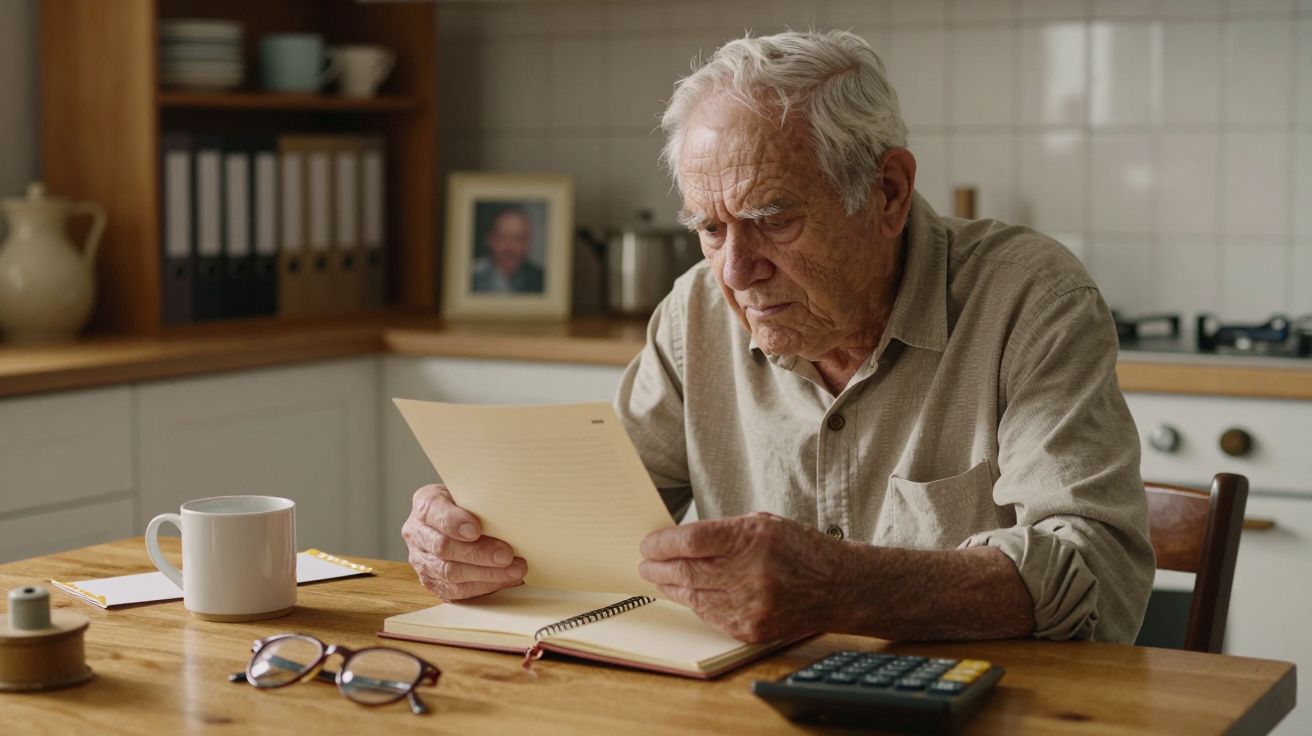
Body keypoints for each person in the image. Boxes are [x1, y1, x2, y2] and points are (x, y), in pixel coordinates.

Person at [403, 30, 1154, 645]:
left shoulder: (1030, 300)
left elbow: (1098, 578)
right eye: (709, 227)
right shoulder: (694, 311)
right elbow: (594, 526)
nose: (737, 269)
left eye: (773, 219)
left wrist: (848, 589)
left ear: (887, 193)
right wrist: (474, 541)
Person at [471, 207, 544, 293]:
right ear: (489, 239)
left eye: (519, 239)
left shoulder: (542, 279)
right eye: (503, 238)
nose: (510, 247)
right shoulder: (471, 276)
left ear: (528, 243)